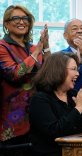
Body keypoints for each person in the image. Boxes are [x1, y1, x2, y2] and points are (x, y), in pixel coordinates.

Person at [28, 52, 82, 156]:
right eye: (74, 69)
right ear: (58, 70)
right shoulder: (40, 99)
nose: (78, 74)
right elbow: (55, 132)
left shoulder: (74, 95)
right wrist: (79, 108)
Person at [0, 5, 50, 143]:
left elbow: (50, 73)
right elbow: (15, 74)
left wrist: (45, 46)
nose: (21, 22)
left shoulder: (34, 48)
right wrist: (37, 51)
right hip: (13, 120)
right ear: (6, 24)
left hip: (38, 115)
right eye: (16, 18)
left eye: (25, 18)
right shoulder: (2, 47)